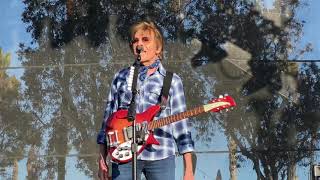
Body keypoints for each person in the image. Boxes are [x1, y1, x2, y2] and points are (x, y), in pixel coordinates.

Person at [97, 21, 195, 180]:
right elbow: (107, 122)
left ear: (158, 48)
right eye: (135, 41)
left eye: (145, 39)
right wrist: (102, 159)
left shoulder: (172, 81)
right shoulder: (121, 77)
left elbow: (181, 126)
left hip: (161, 155)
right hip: (123, 155)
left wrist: (188, 169)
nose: (139, 44)